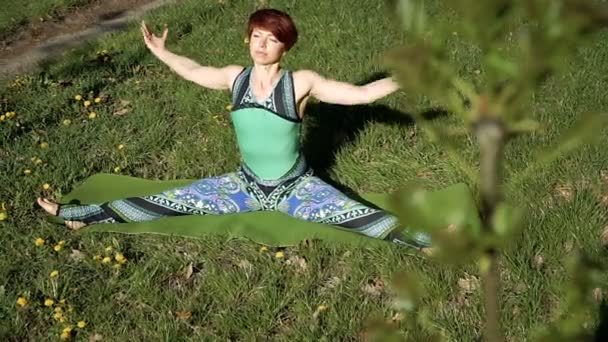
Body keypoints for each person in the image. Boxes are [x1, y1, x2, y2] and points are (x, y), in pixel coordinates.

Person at [37, 8, 431, 250]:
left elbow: (361, 95)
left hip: (295, 188)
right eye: (256, 36)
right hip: (242, 186)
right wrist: (161, 51)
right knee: (167, 201)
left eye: (272, 39)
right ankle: (81, 215)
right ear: (248, 39)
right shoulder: (234, 77)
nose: (261, 45)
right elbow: (192, 71)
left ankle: (430, 241)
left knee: (357, 216)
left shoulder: (301, 83)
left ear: (285, 47)